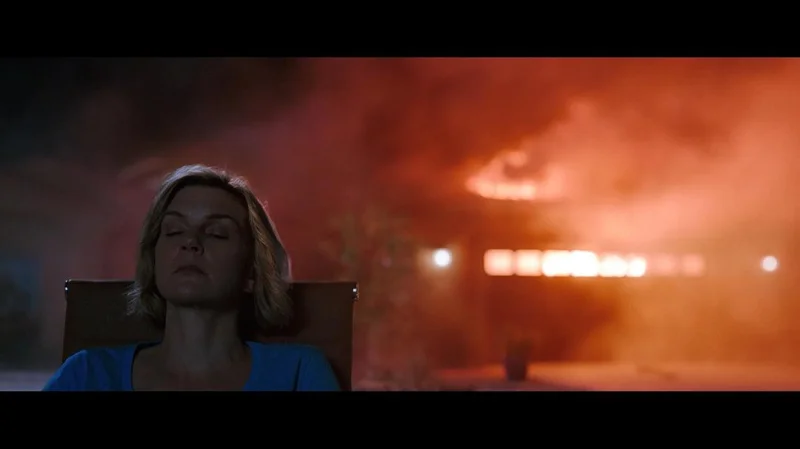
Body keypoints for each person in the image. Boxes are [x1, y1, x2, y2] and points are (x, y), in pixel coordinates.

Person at [43, 164, 340, 391]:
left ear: (252, 270)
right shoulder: (88, 374)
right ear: (154, 259)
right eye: (174, 231)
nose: (190, 242)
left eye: (217, 233)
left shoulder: (299, 373)